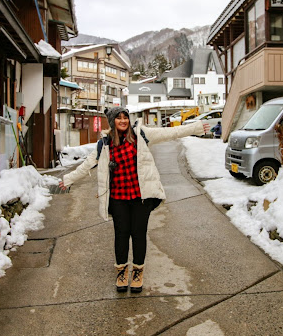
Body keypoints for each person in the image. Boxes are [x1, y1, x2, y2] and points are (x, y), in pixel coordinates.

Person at [58, 107, 208, 293]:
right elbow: (87, 164)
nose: (123, 121)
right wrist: (68, 179)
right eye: (118, 118)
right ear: (112, 122)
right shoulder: (104, 144)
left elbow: (170, 132)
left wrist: (196, 127)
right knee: (121, 235)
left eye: (125, 117)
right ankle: (121, 272)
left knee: (138, 234)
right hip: (118, 197)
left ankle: (138, 272)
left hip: (140, 197)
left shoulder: (141, 135)